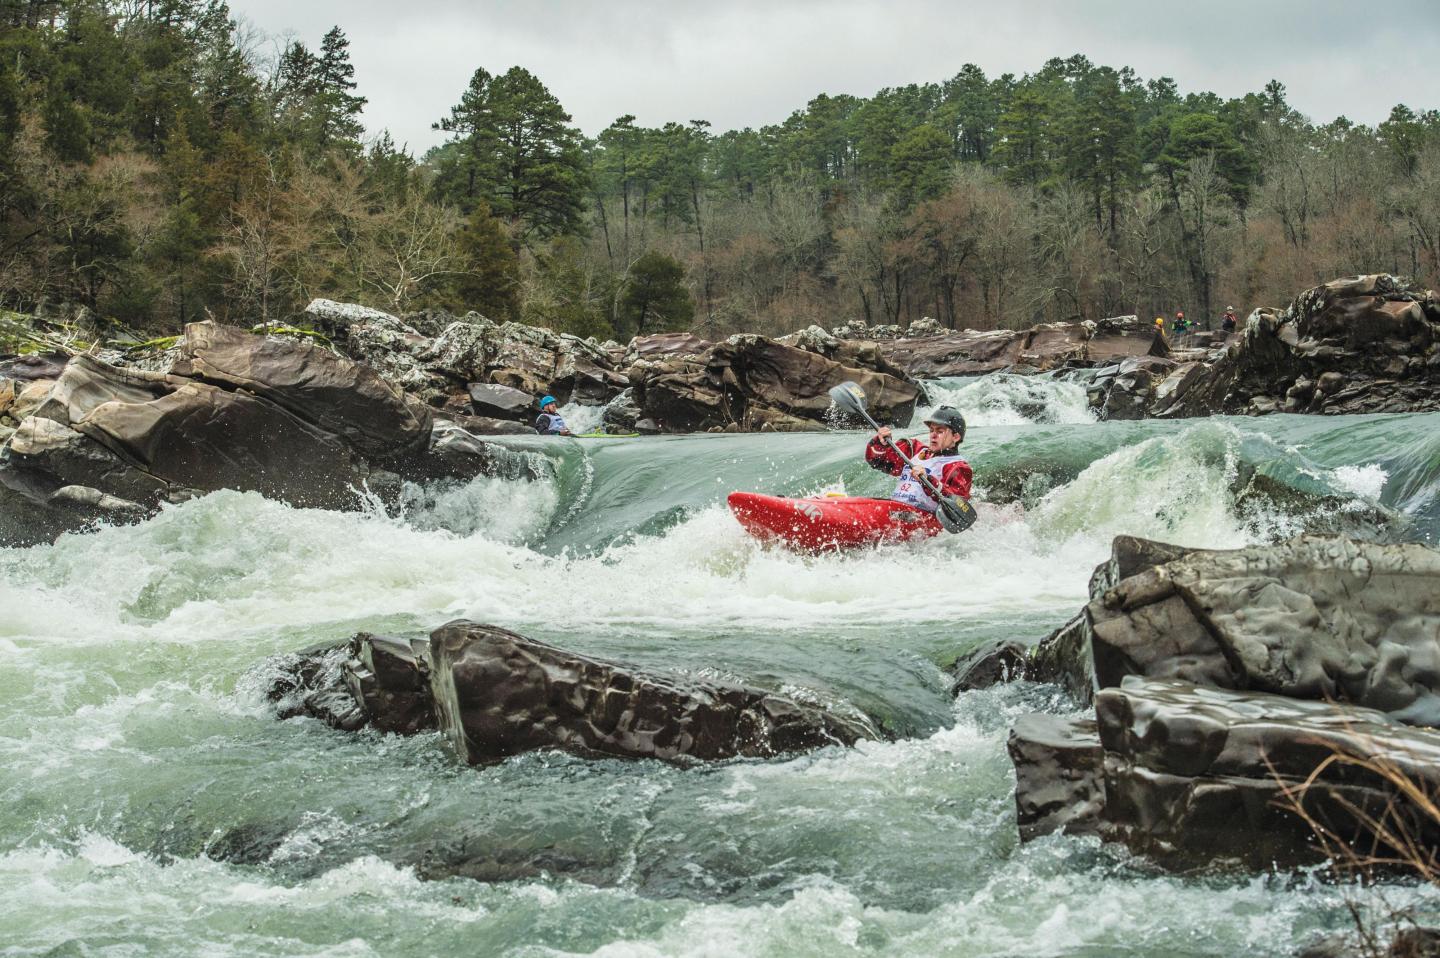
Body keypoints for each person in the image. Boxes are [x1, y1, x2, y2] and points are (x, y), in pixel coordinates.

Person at [866, 406, 972, 514]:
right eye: (931, 430)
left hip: (919, 518)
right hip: (895, 511)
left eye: (940, 431)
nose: (933, 435)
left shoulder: (958, 467)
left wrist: (929, 480)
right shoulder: (914, 449)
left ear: (956, 437)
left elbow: (959, 506)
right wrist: (881, 443)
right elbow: (876, 461)